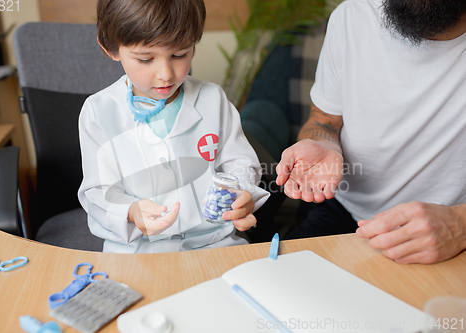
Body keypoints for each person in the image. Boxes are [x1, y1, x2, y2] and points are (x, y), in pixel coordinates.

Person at [276, 0, 466, 264]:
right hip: (344, 211)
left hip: (451, 225)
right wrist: (323, 145)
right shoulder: (352, 16)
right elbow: (323, 121)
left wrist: (459, 224)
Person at [78, 0, 269, 253]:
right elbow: (98, 190)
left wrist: (241, 195)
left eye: (179, 55)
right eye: (146, 59)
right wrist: (131, 212)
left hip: (214, 242)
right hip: (137, 250)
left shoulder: (213, 100)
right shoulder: (99, 112)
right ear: (111, 49)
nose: (166, 73)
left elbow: (240, 163)